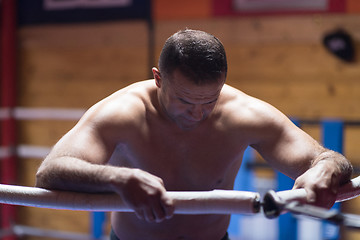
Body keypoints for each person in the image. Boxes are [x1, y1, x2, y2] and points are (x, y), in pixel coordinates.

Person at [36, 29, 353, 240]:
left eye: (209, 101)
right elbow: (50, 172)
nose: (197, 112)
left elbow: (325, 158)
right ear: (159, 79)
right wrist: (119, 179)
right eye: (185, 100)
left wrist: (325, 171)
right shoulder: (122, 113)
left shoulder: (244, 114)